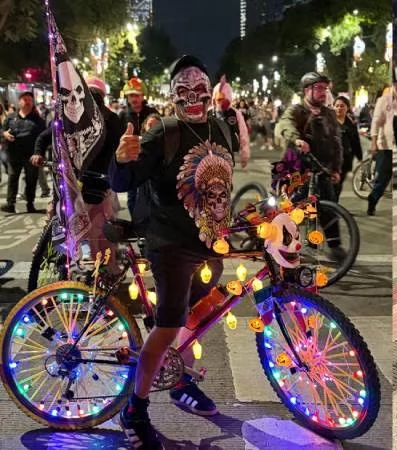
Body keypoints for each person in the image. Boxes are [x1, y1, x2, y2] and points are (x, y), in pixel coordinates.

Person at [111, 55, 235, 449]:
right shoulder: (162, 132)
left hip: (208, 247)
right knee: (168, 325)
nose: (194, 99)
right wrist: (120, 159)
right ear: (172, 96)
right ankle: (134, 409)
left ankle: (179, 378)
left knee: (196, 315)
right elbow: (122, 179)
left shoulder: (220, 127)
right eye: (185, 92)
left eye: (201, 91)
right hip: (171, 247)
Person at [32, 76, 125, 267]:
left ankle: (107, 270)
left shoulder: (111, 119)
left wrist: (120, 166)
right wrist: (38, 153)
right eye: (89, 94)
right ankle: (50, 250)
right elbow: (44, 137)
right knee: (58, 219)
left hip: (101, 184)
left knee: (101, 233)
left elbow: (121, 150)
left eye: (96, 94)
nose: (93, 98)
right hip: (72, 182)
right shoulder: (70, 117)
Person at [275, 72, 346, 260]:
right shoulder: (297, 110)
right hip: (297, 166)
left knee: (329, 208)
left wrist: (337, 168)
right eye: (319, 88)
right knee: (292, 207)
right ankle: (282, 242)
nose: (323, 92)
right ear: (307, 90)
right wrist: (297, 139)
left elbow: (336, 142)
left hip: (321, 167)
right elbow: (285, 124)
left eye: (325, 88)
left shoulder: (329, 113)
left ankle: (334, 244)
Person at [119, 77, 159, 217]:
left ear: (142, 96)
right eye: (131, 95)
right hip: (131, 163)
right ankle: (136, 225)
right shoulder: (122, 115)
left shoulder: (152, 113)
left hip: (149, 161)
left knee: (151, 195)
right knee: (131, 196)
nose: (134, 99)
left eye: (136, 95)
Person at [1, 92, 47, 214]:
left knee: (31, 180)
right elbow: (2, 131)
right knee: (12, 178)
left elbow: (44, 137)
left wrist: (40, 154)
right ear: (19, 101)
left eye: (29, 100)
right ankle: (10, 204)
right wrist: (4, 134)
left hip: (31, 155)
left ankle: (30, 204)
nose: (27, 102)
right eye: (24, 99)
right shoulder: (11, 117)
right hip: (14, 154)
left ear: (32, 103)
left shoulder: (38, 120)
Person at [210, 76, 250, 168]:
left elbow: (243, 134)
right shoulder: (208, 113)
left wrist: (245, 153)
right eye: (218, 99)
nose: (220, 102)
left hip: (228, 152)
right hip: (210, 154)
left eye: (223, 99)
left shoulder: (235, 113)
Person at [367, 86, 394, 215]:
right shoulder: (384, 100)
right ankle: (373, 199)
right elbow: (376, 122)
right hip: (386, 146)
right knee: (383, 179)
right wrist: (374, 143)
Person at [333, 95, 363, 201]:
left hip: (345, 159)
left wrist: (360, 157)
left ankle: (334, 207)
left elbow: (356, 142)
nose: (339, 108)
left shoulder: (351, 124)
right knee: (331, 186)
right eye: (337, 106)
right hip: (331, 160)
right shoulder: (329, 123)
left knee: (339, 185)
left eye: (342, 106)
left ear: (347, 108)